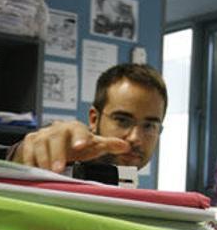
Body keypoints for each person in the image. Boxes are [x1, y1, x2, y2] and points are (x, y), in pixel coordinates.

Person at [10, 63, 166, 173]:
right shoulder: (61, 170)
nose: (135, 138)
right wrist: (23, 155)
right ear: (94, 119)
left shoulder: (141, 201)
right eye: (122, 120)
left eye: (149, 126)